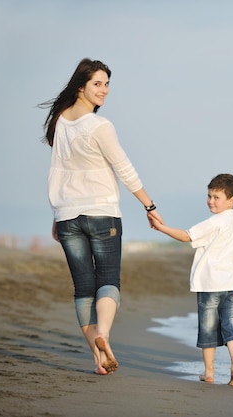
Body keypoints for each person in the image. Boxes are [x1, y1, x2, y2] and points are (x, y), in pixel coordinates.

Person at [39, 58, 163, 375]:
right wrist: (149, 206)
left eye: (107, 84)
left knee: (83, 289)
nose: (104, 90)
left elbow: (58, 173)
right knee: (107, 281)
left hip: (68, 216)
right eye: (97, 83)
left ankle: (97, 358)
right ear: (80, 85)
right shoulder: (99, 126)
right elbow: (124, 168)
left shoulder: (60, 122)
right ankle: (104, 335)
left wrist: (58, 213)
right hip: (102, 214)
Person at [148, 173, 233, 386]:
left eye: (216, 197)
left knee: (208, 326)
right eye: (209, 196)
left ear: (231, 200)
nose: (210, 201)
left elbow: (187, 236)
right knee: (232, 325)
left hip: (210, 284)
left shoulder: (214, 222)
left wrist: (161, 228)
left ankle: (209, 372)